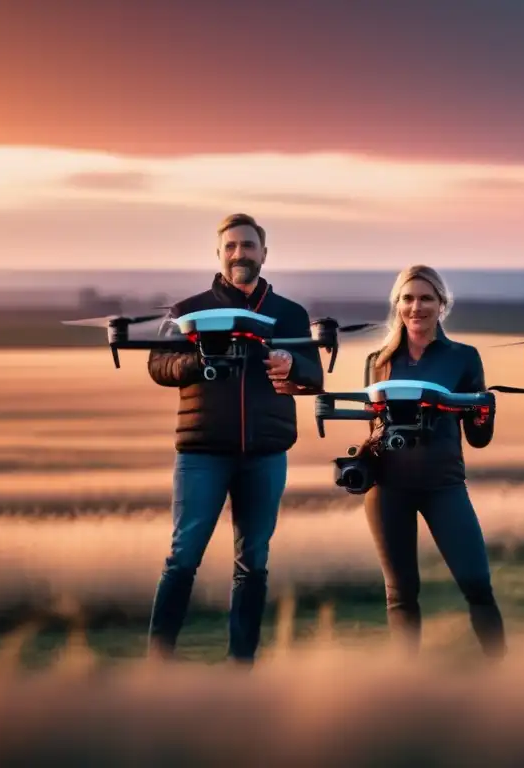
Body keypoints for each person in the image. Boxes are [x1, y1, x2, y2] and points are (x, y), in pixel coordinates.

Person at [145, 212, 324, 664]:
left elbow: (314, 376)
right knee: (183, 556)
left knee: (253, 563)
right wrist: (197, 360)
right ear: (219, 253)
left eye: (248, 246)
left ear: (264, 253)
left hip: (265, 454)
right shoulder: (187, 311)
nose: (239, 254)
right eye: (231, 247)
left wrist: (292, 366)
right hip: (202, 452)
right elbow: (157, 367)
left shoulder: (290, 314)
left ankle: (241, 664)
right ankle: (158, 662)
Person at [359, 264, 506, 658]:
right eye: (408, 298)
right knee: (400, 594)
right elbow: (375, 429)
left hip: (443, 485)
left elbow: (478, 439)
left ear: (442, 304)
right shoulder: (378, 360)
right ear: (397, 304)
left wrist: (484, 409)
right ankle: (409, 687)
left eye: (426, 298)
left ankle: (503, 677)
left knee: (477, 583)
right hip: (388, 488)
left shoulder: (463, 357)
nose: (416, 307)